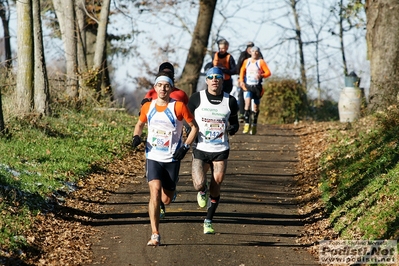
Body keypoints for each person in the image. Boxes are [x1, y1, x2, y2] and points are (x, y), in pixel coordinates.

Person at [132, 70, 198, 246]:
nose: (163, 89)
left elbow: (194, 128)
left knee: (165, 199)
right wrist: (136, 136)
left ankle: (171, 192)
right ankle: (155, 234)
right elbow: (139, 124)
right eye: (160, 85)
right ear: (155, 87)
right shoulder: (148, 107)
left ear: (171, 88)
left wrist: (185, 147)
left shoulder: (178, 107)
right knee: (154, 192)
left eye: (166, 86)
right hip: (153, 155)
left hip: (172, 157)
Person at [187, 67, 239, 234]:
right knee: (199, 184)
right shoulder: (196, 98)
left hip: (220, 149)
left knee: (217, 185)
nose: (215, 80)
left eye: (218, 77)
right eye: (211, 77)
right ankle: (202, 190)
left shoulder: (230, 101)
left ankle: (208, 220)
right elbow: (188, 120)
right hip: (201, 148)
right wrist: (189, 136)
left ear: (222, 80)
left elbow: (235, 123)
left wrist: (232, 128)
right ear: (207, 80)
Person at [239, 46, 271, 135]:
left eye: (257, 52)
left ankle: (254, 124)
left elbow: (268, 72)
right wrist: (241, 81)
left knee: (256, 108)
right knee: (247, 103)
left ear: (259, 53)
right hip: (248, 86)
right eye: (253, 51)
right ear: (250, 52)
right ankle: (246, 124)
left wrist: (262, 75)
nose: (255, 53)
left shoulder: (261, 62)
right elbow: (242, 71)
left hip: (257, 87)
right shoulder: (246, 61)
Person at [235, 42, 264, 122]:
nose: (251, 50)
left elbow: (262, 68)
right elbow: (239, 67)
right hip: (244, 79)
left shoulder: (259, 56)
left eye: (252, 48)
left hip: (256, 82)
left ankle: (254, 115)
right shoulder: (243, 55)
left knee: (255, 101)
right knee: (241, 94)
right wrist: (240, 79)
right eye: (249, 48)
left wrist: (261, 75)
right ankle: (242, 114)